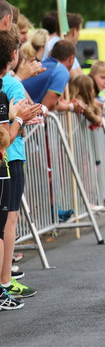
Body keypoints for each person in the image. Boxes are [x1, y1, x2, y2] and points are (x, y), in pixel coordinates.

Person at [0, 30, 42, 308]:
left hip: (10, 155)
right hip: (9, 157)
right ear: (14, 56)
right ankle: (4, 282)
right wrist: (21, 119)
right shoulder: (10, 85)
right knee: (7, 223)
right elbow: (29, 113)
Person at [22, 40, 84, 113]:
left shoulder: (43, 64)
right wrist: (71, 107)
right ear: (71, 59)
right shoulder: (62, 71)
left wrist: (67, 103)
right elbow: (48, 105)